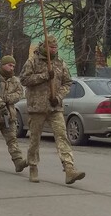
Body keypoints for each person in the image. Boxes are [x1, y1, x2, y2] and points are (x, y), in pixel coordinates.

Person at [20, 36, 85, 185]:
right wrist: (44, 76)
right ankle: (33, 166)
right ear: (44, 47)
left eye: (55, 48)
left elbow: (67, 82)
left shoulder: (60, 63)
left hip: (54, 107)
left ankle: (69, 169)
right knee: (35, 139)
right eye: (51, 47)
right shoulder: (32, 61)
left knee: (62, 136)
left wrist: (59, 96)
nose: (53, 50)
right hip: (37, 107)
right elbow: (24, 79)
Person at [0, 55, 28, 173]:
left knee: (12, 139)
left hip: (9, 115)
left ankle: (18, 161)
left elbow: (20, 93)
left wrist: (8, 99)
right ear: (3, 65)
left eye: (13, 66)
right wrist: (0, 104)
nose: (12, 68)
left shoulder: (14, 80)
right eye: (9, 65)